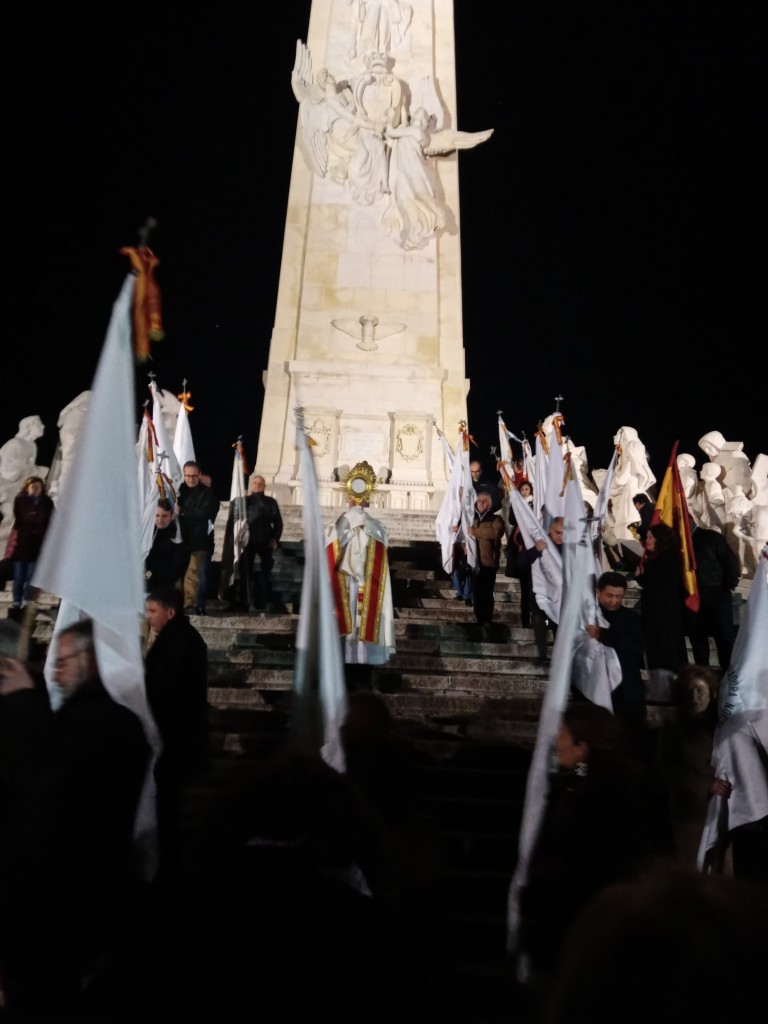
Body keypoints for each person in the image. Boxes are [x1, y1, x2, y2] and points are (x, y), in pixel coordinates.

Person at [0, 619, 150, 1014]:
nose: (57, 671)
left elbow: (55, 786)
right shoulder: (78, 718)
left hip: (73, 898)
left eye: (65, 661)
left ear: (94, 659)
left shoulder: (109, 724)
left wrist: (24, 703)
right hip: (59, 896)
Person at [517, 703, 652, 996]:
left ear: (582, 742)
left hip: (581, 921)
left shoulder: (598, 790)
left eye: (563, 733)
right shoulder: (586, 778)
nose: (556, 740)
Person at [144, 587, 209, 881]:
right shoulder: (181, 640)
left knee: (168, 805)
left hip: (172, 738)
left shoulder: (177, 643)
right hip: (177, 737)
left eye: (152, 612)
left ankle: (168, 866)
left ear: (170, 612)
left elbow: (167, 693)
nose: (148, 618)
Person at [656, 664, 731, 869]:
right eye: (689, 691)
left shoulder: (721, 724)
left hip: (722, 804)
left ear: (711, 693)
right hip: (691, 806)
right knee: (692, 861)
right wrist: (706, 784)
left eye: (700, 690)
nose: (695, 697)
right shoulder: (673, 725)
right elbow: (668, 766)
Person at [326, 499, 396, 669]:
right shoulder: (369, 526)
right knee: (349, 615)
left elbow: (329, 542)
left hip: (364, 579)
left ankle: (357, 658)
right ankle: (359, 658)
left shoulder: (346, 525)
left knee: (361, 617)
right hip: (348, 580)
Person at [580, 571, 647, 733]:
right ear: (598, 592)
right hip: (595, 689)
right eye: (609, 595)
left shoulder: (631, 619)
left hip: (627, 691)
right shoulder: (588, 617)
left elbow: (637, 648)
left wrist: (604, 635)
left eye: (619, 596)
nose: (614, 601)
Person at [634, 522, 688, 701]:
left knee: (664, 655)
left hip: (663, 617)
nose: (646, 540)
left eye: (650, 537)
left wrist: (642, 576)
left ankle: (666, 694)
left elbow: (659, 584)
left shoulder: (668, 558)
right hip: (659, 615)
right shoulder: (661, 557)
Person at [686, 519, 741, 669]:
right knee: (698, 640)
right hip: (695, 596)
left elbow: (729, 561)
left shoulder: (711, 537)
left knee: (723, 638)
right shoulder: (680, 544)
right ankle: (704, 679)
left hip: (716, 593)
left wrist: (730, 584)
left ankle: (727, 679)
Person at [510, 517, 564, 662]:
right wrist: (535, 550)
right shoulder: (539, 544)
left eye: (565, 533)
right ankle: (542, 654)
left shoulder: (570, 548)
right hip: (540, 595)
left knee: (560, 625)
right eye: (558, 533)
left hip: (560, 597)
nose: (561, 537)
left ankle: (560, 658)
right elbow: (520, 565)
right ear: (550, 531)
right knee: (540, 621)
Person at [176, 460, 220, 615]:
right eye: (187, 475)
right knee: (177, 574)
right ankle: (177, 603)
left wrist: (182, 512)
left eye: (194, 476)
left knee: (193, 574)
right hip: (179, 539)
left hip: (198, 541)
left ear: (199, 475)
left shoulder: (208, 494)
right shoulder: (179, 490)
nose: (190, 479)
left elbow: (204, 513)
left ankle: (191, 604)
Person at [6, 475, 54, 611]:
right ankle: (16, 601)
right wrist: (35, 517)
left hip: (38, 542)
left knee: (31, 575)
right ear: (27, 487)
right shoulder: (21, 500)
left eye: (38, 486)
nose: (36, 489)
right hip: (22, 542)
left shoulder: (47, 502)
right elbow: (21, 516)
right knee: (19, 575)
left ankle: (27, 599)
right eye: (33, 486)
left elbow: (50, 519)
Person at [466, 489, 505, 633]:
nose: (481, 503)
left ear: (489, 504)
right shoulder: (472, 519)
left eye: (485, 501)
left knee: (487, 593)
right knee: (477, 593)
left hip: (489, 562)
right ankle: (479, 618)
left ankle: (487, 619)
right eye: (479, 501)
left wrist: (475, 532)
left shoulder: (496, 519)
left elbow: (495, 533)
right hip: (475, 562)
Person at [245, 474, 283, 612]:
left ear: (264, 486)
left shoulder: (271, 502)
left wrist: (274, 539)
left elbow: (278, 523)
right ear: (251, 485)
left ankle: (262, 600)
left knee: (265, 573)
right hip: (247, 542)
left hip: (265, 541)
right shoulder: (244, 501)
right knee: (245, 573)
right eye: (254, 483)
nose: (257, 485)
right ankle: (244, 601)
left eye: (260, 483)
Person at [144, 498, 190, 592]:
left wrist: (151, 574)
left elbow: (177, 568)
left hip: (165, 588)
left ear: (172, 516)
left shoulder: (178, 535)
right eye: (157, 515)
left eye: (164, 516)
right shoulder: (149, 532)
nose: (160, 520)